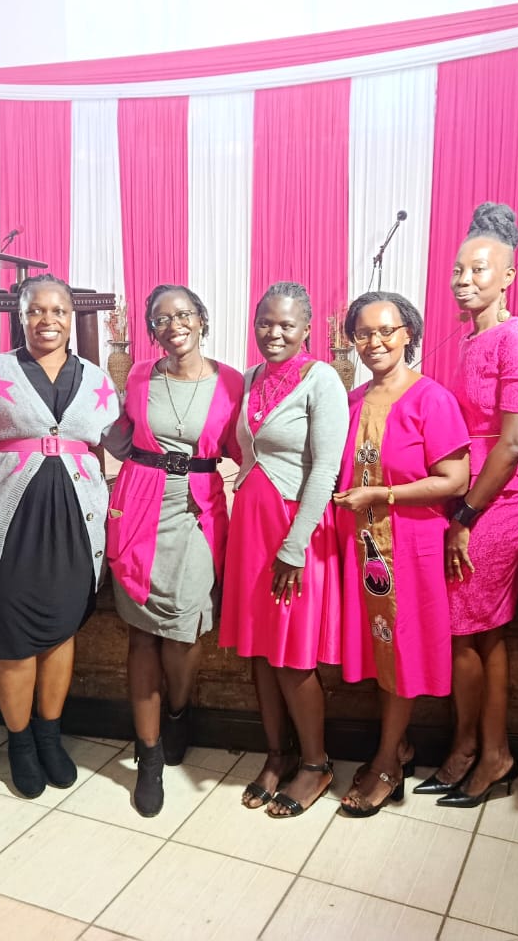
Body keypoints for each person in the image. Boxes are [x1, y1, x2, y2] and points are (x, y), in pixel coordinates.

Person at [0, 274, 120, 800]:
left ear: (71, 317)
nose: (47, 320)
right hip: (8, 524)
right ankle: (20, 743)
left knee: (61, 632)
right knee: (14, 639)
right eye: (35, 310)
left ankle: (50, 735)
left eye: (58, 311)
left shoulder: (97, 379)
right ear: (20, 315)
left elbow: (117, 439)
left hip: (74, 520)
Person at [416, 202, 518, 810]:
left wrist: (466, 516)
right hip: (470, 494)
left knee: (464, 630)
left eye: (479, 269)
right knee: (481, 634)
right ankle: (480, 749)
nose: (464, 279)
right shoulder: (475, 337)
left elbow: (514, 442)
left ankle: (481, 750)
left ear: (509, 276)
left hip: (500, 500)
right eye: (458, 270)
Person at [104, 284, 244, 817]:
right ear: (151, 331)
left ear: (202, 319)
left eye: (183, 314)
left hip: (197, 510)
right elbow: (117, 436)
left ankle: (179, 712)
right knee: (141, 634)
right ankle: (149, 755)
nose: (173, 325)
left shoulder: (232, 382)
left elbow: (247, 447)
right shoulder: (139, 376)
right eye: (161, 319)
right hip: (140, 505)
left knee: (184, 632)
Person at [332, 291, 469, 818]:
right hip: (361, 547)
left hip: (408, 547)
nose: (375, 342)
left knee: (400, 653)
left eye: (386, 330)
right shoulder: (352, 401)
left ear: (408, 333)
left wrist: (382, 494)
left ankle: (388, 760)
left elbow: (454, 479)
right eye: (363, 333)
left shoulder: (431, 398)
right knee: (377, 651)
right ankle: (398, 745)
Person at [218, 281, 348, 819]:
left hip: (295, 530)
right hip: (251, 527)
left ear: (307, 329)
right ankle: (277, 754)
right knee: (260, 651)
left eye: (286, 325)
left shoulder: (322, 380)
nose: (273, 333)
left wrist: (295, 546)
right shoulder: (251, 378)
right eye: (265, 323)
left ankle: (316, 762)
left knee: (292, 656)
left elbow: (326, 467)